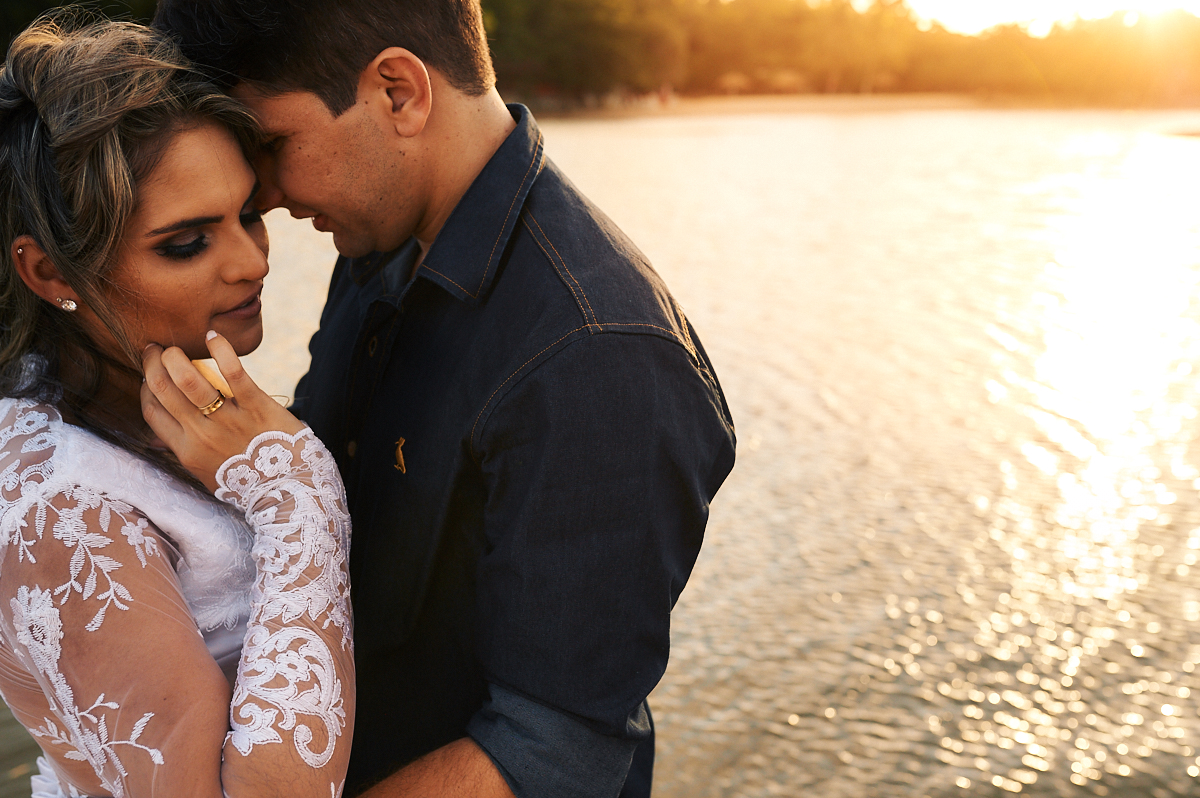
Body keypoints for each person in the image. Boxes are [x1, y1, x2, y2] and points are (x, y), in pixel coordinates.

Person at [153, 1, 738, 796]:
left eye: (272, 143)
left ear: (399, 92)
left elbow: (553, 753)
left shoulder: (598, 355)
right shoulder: (377, 242)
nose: (269, 192)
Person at [0, 16, 355, 798]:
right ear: (51, 273)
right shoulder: (66, 513)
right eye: (188, 242)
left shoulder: (150, 397)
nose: (252, 261)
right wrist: (301, 496)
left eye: (249, 215)